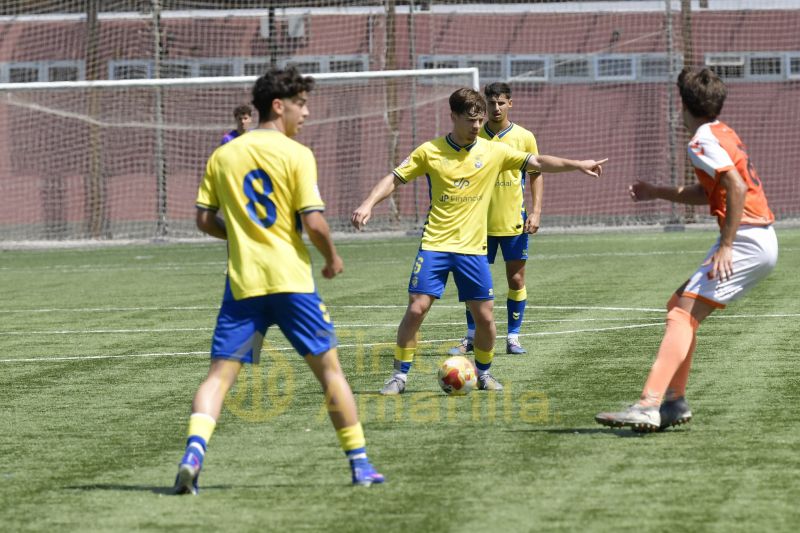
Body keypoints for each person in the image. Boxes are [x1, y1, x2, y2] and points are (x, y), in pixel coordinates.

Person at [173, 67, 384, 494]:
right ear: (279, 105)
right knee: (330, 373)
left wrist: (237, 233)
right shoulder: (296, 154)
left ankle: (193, 454)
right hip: (291, 285)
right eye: (301, 104)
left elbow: (202, 219)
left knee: (218, 377)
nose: (306, 113)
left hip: (244, 288)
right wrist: (332, 257)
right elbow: (315, 222)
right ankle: (360, 464)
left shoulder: (224, 154)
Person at [351, 88, 606, 396]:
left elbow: (537, 161)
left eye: (479, 119)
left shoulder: (493, 151)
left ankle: (483, 373)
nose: (476, 126)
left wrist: (578, 164)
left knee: (485, 318)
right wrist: (367, 203)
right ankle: (399, 377)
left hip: (473, 249)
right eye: (470, 120)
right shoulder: (429, 151)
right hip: (436, 244)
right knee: (417, 309)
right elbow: (395, 178)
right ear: (453, 117)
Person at [595, 67, 778, 432]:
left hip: (745, 239)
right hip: (755, 237)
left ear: (683, 105)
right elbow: (713, 192)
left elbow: (737, 188)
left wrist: (726, 246)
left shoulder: (701, 141)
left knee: (681, 317)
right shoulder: (721, 133)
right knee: (677, 307)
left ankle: (649, 405)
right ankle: (674, 402)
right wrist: (656, 191)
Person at [449, 82, 543, 357]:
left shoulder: (524, 137)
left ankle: (513, 336)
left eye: (501, 102)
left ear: (510, 103)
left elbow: (536, 173)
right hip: (477, 223)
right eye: (491, 103)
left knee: (516, 279)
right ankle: (470, 336)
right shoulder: (473, 135)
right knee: (474, 283)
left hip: (513, 219)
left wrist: (536, 211)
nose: (496, 107)